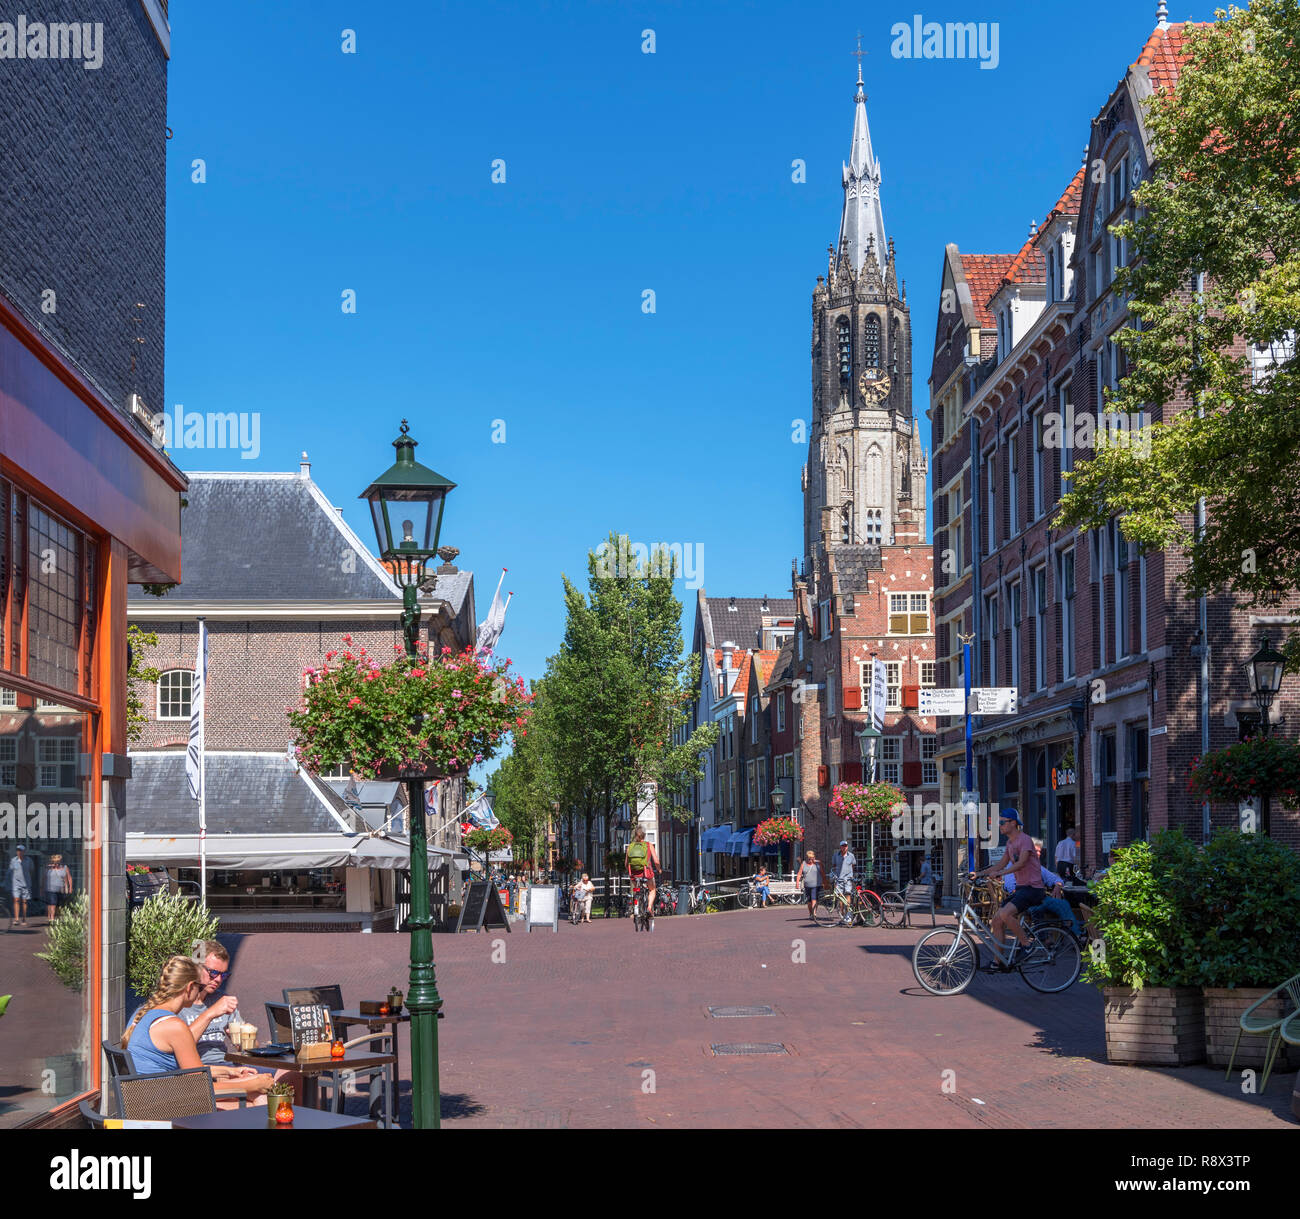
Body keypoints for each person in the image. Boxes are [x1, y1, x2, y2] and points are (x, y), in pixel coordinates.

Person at [123, 956, 274, 1103]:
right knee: (260, 1100)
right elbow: (201, 1089)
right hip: (166, 1109)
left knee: (255, 1097)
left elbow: (191, 1072)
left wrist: (230, 1071)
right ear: (189, 987)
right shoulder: (174, 1026)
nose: (200, 993)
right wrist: (254, 1084)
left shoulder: (143, 1014)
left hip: (148, 1102)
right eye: (200, 988)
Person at [182, 940, 299, 1105]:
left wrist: (245, 1042)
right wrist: (211, 1013)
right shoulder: (181, 1004)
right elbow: (182, 1045)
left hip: (230, 1064)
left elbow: (251, 1049)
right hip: (205, 1070)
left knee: (292, 1072)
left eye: (223, 975)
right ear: (196, 967)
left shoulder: (222, 999)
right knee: (262, 1093)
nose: (218, 980)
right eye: (213, 973)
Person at [976, 811, 1046, 964]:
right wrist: (979, 873)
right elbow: (1000, 864)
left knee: (1006, 914)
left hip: (1033, 889)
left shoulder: (1025, 840)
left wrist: (1000, 873)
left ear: (1013, 823)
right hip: (1021, 889)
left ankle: (1027, 944)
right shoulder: (1009, 843)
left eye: (1002, 823)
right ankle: (998, 962)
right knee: (996, 921)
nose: (999, 826)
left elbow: (1021, 863)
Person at [1005, 859, 1081, 937]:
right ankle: (1044, 939)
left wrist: (1058, 885)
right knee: (1036, 909)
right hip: (1025, 901)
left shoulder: (1034, 865)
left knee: (1064, 904)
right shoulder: (1013, 866)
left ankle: (1075, 935)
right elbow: (1010, 886)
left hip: (1041, 898)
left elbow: (1055, 879)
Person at [626, 826, 661, 929]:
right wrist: (659, 869)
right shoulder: (649, 845)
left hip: (634, 874)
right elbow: (656, 861)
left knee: (636, 890)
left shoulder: (630, 846)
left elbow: (626, 863)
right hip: (646, 873)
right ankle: (649, 907)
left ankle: (636, 906)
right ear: (644, 835)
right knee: (652, 890)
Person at [795, 850, 823, 921]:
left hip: (816, 885)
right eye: (809, 858)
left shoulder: (818, 863)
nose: (811, 860)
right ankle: (811, 913)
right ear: (807, 858)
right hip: (807, 885)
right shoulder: (803, 864)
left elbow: (822, 873)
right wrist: (797, 883)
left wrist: (825, 882)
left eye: (812, 858)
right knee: (809, 901)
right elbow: (799, 874)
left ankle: (814, 914)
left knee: (814, 899)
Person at [8, 845, 31, 928]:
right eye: (18, 850)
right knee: (16, 900)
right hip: (16, 884)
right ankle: (16, 919)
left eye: (20, 850)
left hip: (26, 884)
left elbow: (32, 871)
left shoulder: (29, 860)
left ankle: (24, 919)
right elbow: (9, 871)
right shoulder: (13, 860)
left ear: (24, 851)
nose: (19, 852)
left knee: (24, 901)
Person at [45, 854, 72, 924]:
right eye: (55, 862)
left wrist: (70, 887)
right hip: (50, 889)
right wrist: (42, 887)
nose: (56, 864)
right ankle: (52, 917)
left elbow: (69, 877)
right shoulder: (49, 868)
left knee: (57, 905)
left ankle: (52, 916)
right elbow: (44, 878)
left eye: (58, 862)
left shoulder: (65, 868)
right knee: (52, 903)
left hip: (60, 889)